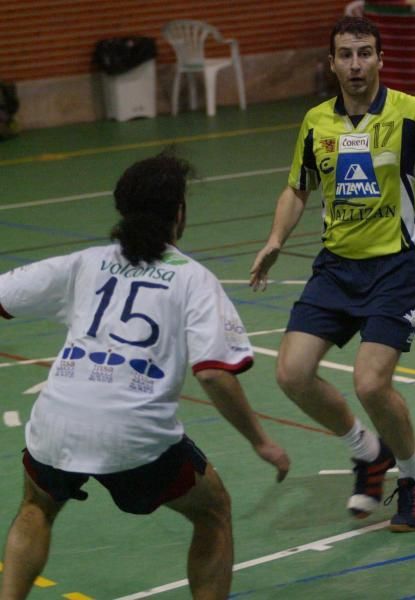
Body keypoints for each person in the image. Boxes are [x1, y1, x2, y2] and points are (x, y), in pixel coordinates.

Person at [0, 151, 290, 600]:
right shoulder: (193, 279)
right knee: (213, 511)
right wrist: (261, 441)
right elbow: (215, 374)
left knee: (37, 506)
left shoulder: (84, 263)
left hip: (57, 423)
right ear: (179, 214)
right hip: (135, 436)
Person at [250, 16, 415, 533]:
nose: (356, 64)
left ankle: (414, 476)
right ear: (332, 62)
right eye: (346, 55)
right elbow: (298, 187)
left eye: (365, 53)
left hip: (396, 265)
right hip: (336, 266)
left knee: (370, 383)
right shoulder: (317, 121)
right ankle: (367, 452)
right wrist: (275, 241)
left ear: (381, 59)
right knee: (291, 373)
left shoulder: (412, 112)